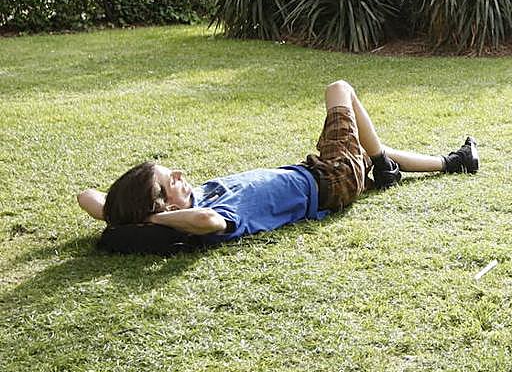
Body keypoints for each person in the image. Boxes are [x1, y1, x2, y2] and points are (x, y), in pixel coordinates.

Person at [77, 81, 479, 247]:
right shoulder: (209, 215)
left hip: (316, 178)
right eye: (171, 185)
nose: (180, 176)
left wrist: (127, 217)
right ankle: (380, 163)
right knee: (339, 89)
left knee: (373, 146)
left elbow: (88, 198)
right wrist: (153, 220)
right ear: (165, 210)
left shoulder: (180, 207)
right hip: (329, 180)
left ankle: (453, 162)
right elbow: (208, 223)